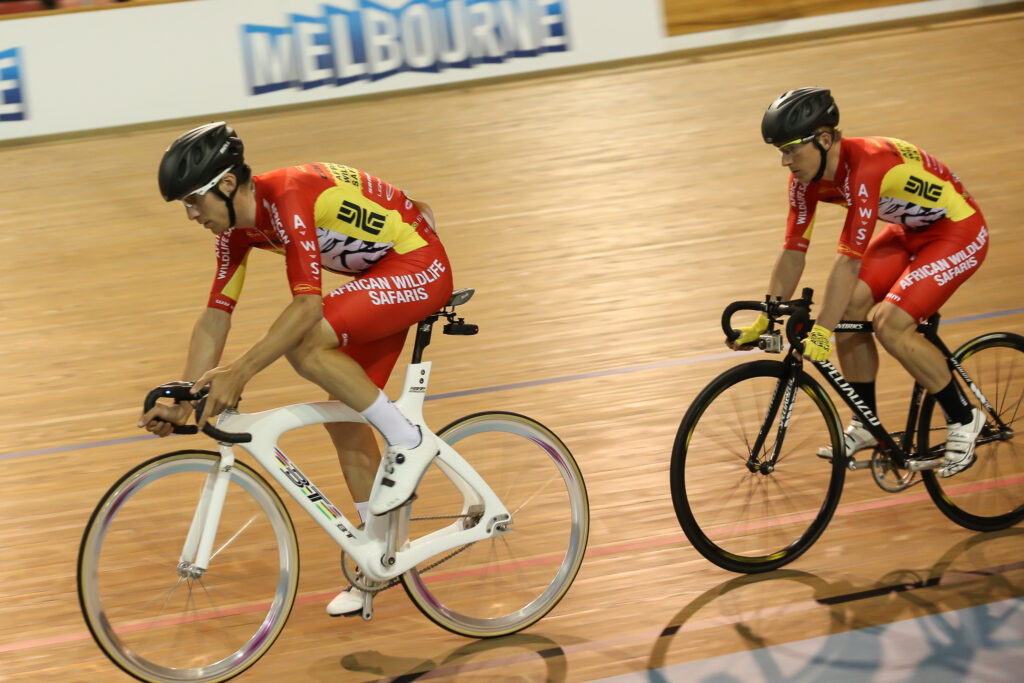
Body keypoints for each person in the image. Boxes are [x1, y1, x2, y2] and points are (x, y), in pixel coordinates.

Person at [139, 122, 454, 616]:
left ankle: (410, 442)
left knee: (307, 346)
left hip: (416, 266)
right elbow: (217, 313)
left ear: (225, 184)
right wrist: (184, 391)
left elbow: (306, 308)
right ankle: (378, 559)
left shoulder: (286, 195)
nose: (190, 214)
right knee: (346, 416)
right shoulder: (235, 232)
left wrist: (239, 372)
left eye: (192, 201)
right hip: (377, 276)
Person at [730, 87, 988, 477]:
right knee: (850, 309)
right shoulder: (805, 179)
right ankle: (866, 423)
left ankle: (965, 417)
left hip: (957, 231)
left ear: (825, 140)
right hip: (908, 230)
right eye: (779, 151)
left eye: (790, 150)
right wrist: (767, 316)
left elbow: (847, 263)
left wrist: (823, 331)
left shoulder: (866, 167)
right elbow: (793, 251)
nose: (784, 161)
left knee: (889, 323)